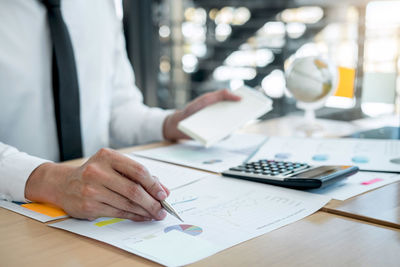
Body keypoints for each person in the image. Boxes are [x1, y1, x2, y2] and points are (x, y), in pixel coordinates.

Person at [0, 0, 240, 222]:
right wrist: (53, 181)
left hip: (93, 216)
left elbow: (117, 109)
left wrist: (171, 123)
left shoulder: (100, 5)